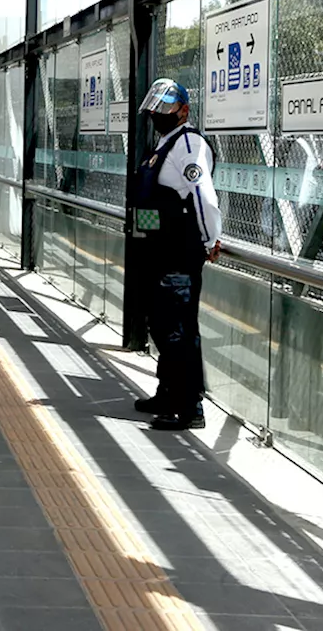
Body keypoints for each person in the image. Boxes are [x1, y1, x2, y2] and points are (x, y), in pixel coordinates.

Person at [131, 78, 222, 431]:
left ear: (184, 110)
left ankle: (189, 406)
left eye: (166, 109)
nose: (158, 115)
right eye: (155, 110)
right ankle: (168, 391)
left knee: (178, 329)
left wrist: (209, 239)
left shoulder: (188, 144)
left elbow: (203, 196)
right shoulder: (164, 145)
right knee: (160, 323)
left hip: (178, 254)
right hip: (159, 250)